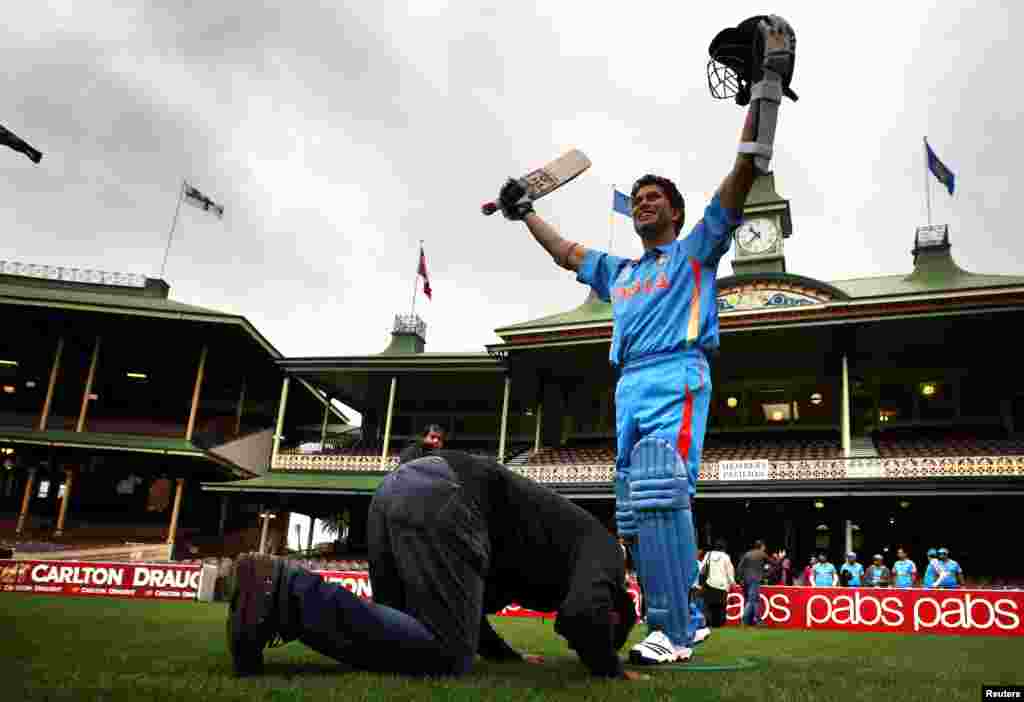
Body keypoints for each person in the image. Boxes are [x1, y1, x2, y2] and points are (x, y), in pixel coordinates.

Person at [495, 17, 795, 667]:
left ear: (678, 214)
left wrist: (766, 93)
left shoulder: (697, 251)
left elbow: (742, 176)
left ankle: (675, 631)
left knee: (662, 488)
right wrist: (526, 212)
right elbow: (564, 254)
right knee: (634, 516)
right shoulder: (621, 273)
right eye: (639, 198)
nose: (644, 203)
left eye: (656, 197)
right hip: (628, 384)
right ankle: (685, 616)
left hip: (677, 373)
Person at [227, 451, 642, 680]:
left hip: (398, 489)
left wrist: (506, 656)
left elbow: (465, 606)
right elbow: (582, 616)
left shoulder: (554, 549)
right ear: (617, 607)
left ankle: (267, 604)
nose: (575, 645)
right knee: (446, 656)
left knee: (401, 630)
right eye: (610, 627)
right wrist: (609, 668)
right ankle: (286, 591)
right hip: (446, 496)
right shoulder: (607, 552)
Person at [699, 538, 735, 627]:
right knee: (721, 606)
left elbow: (702, 569)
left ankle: (708, 623)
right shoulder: (726, 557)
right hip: (722, 585)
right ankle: (719, 624)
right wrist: (732, 583)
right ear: (724, 548)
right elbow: (729, 571)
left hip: (710, 583)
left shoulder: (708, 554)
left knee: (709, 605)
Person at [736, 539, 768, 625]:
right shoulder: (762, 553)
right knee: (751, 600)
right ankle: (744, 620)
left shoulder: (747, 554)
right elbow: (773, 563)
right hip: (755, 579)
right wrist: (780, 558)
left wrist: (740, 579)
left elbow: (739, 567)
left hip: (746, 580)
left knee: (754, 600)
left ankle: (757, 620)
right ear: (762, 546)